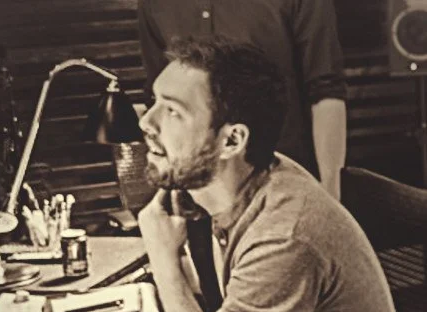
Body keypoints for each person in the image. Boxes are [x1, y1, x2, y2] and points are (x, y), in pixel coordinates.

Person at [105, 37, 413, 312]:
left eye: (173, 111)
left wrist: (164, 259)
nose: (146, 122)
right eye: (154, 101)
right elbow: (259, 304)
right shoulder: (258, 182)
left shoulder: (286, 233)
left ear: (232, 140)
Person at [137, 0, 347, 199]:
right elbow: (158, 91)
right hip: (194, 185)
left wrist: (330, 190)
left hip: (282, 177)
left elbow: (326, 91)